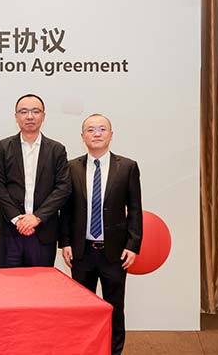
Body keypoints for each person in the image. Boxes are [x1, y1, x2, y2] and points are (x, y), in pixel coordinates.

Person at [60, 113, 143, 355]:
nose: (96, 133)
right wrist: (65, 242)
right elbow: (65, 210)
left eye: (102, 129)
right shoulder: (71, 167)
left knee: (114, 309)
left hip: (115, 253)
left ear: (111, 134)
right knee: (82, 310)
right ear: (82, 136)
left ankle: (114, 352)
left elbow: (135, 209)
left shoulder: (127, 167)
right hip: (81, 252)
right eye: (90, 129)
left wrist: (133, 245)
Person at [0, 93, 71, 268]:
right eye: (24, 111)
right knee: (9, 283)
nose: (29, 116)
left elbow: (63, 188)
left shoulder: (56, 149)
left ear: (43, 116)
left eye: (35, 111)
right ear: (16, 116)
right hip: (11, 232)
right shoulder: (4, 147)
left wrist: (37, 217)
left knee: (40, 283)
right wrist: (17, 219)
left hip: (43, 232)